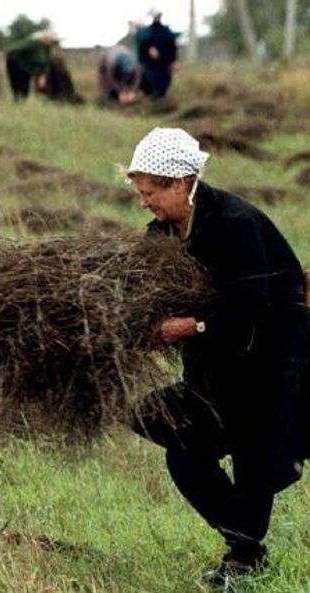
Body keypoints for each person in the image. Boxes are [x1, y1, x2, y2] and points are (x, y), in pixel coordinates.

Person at [128, 128, 310, 587]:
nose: (144, 202)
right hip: (214, 366)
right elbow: (143, 288)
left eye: (150, 192)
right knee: (175, 445)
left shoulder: (235, 223)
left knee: (256, 457)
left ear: (180, 183)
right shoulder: (164, 233)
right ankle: (246, 541)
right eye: (140, 193)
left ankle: (244, 557)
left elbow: (252, 303)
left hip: (271, 360)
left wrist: (192, 326)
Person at [135, 10, 178, 100]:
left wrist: (173, 61)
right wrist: (148, 49)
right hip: (149, 64)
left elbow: (173, 47)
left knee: (163, 85)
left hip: (164, 63)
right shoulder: (145, 33)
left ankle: (161, 102)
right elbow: (141, 46)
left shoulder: (167, 32)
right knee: (149, 82)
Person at [5, 29, 56, 101]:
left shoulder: (47, 47)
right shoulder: (33, 43)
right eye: (49, 39)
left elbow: (47, 62)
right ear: (44, 38)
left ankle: (22, 103)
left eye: (52, 40)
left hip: (28, 69)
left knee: (25, 90)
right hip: (16, 64)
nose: (50, 41)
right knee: (17, 88)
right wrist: (3, 53)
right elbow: (18, 48)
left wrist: (43, 75)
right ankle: (17, 101)